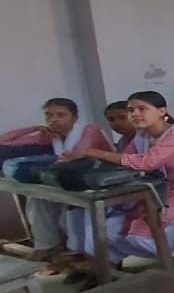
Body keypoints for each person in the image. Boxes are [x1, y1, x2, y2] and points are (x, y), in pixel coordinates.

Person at [66, 91, 174, 264]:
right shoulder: (142, 136)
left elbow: (146, 163)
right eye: (131, 110)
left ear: (162, 111)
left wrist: (92, 152)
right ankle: (106, 268)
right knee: (109, 230)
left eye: (142, 109)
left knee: (142, 235)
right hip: (163, 190)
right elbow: (126, 160)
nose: (135, 114)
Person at [4, 98, 113, 265]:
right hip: (67, 181)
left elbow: (75, 156)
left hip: (98, 182)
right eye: (49, 115)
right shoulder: (50, 136)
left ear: (74, 117)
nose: (53, 120)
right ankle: (46, 246)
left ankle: (80, 253)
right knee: (37, 200)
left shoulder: (90, 130)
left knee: (69, 209)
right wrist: (33, 129)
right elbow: (3, 142)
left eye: (60, 115)